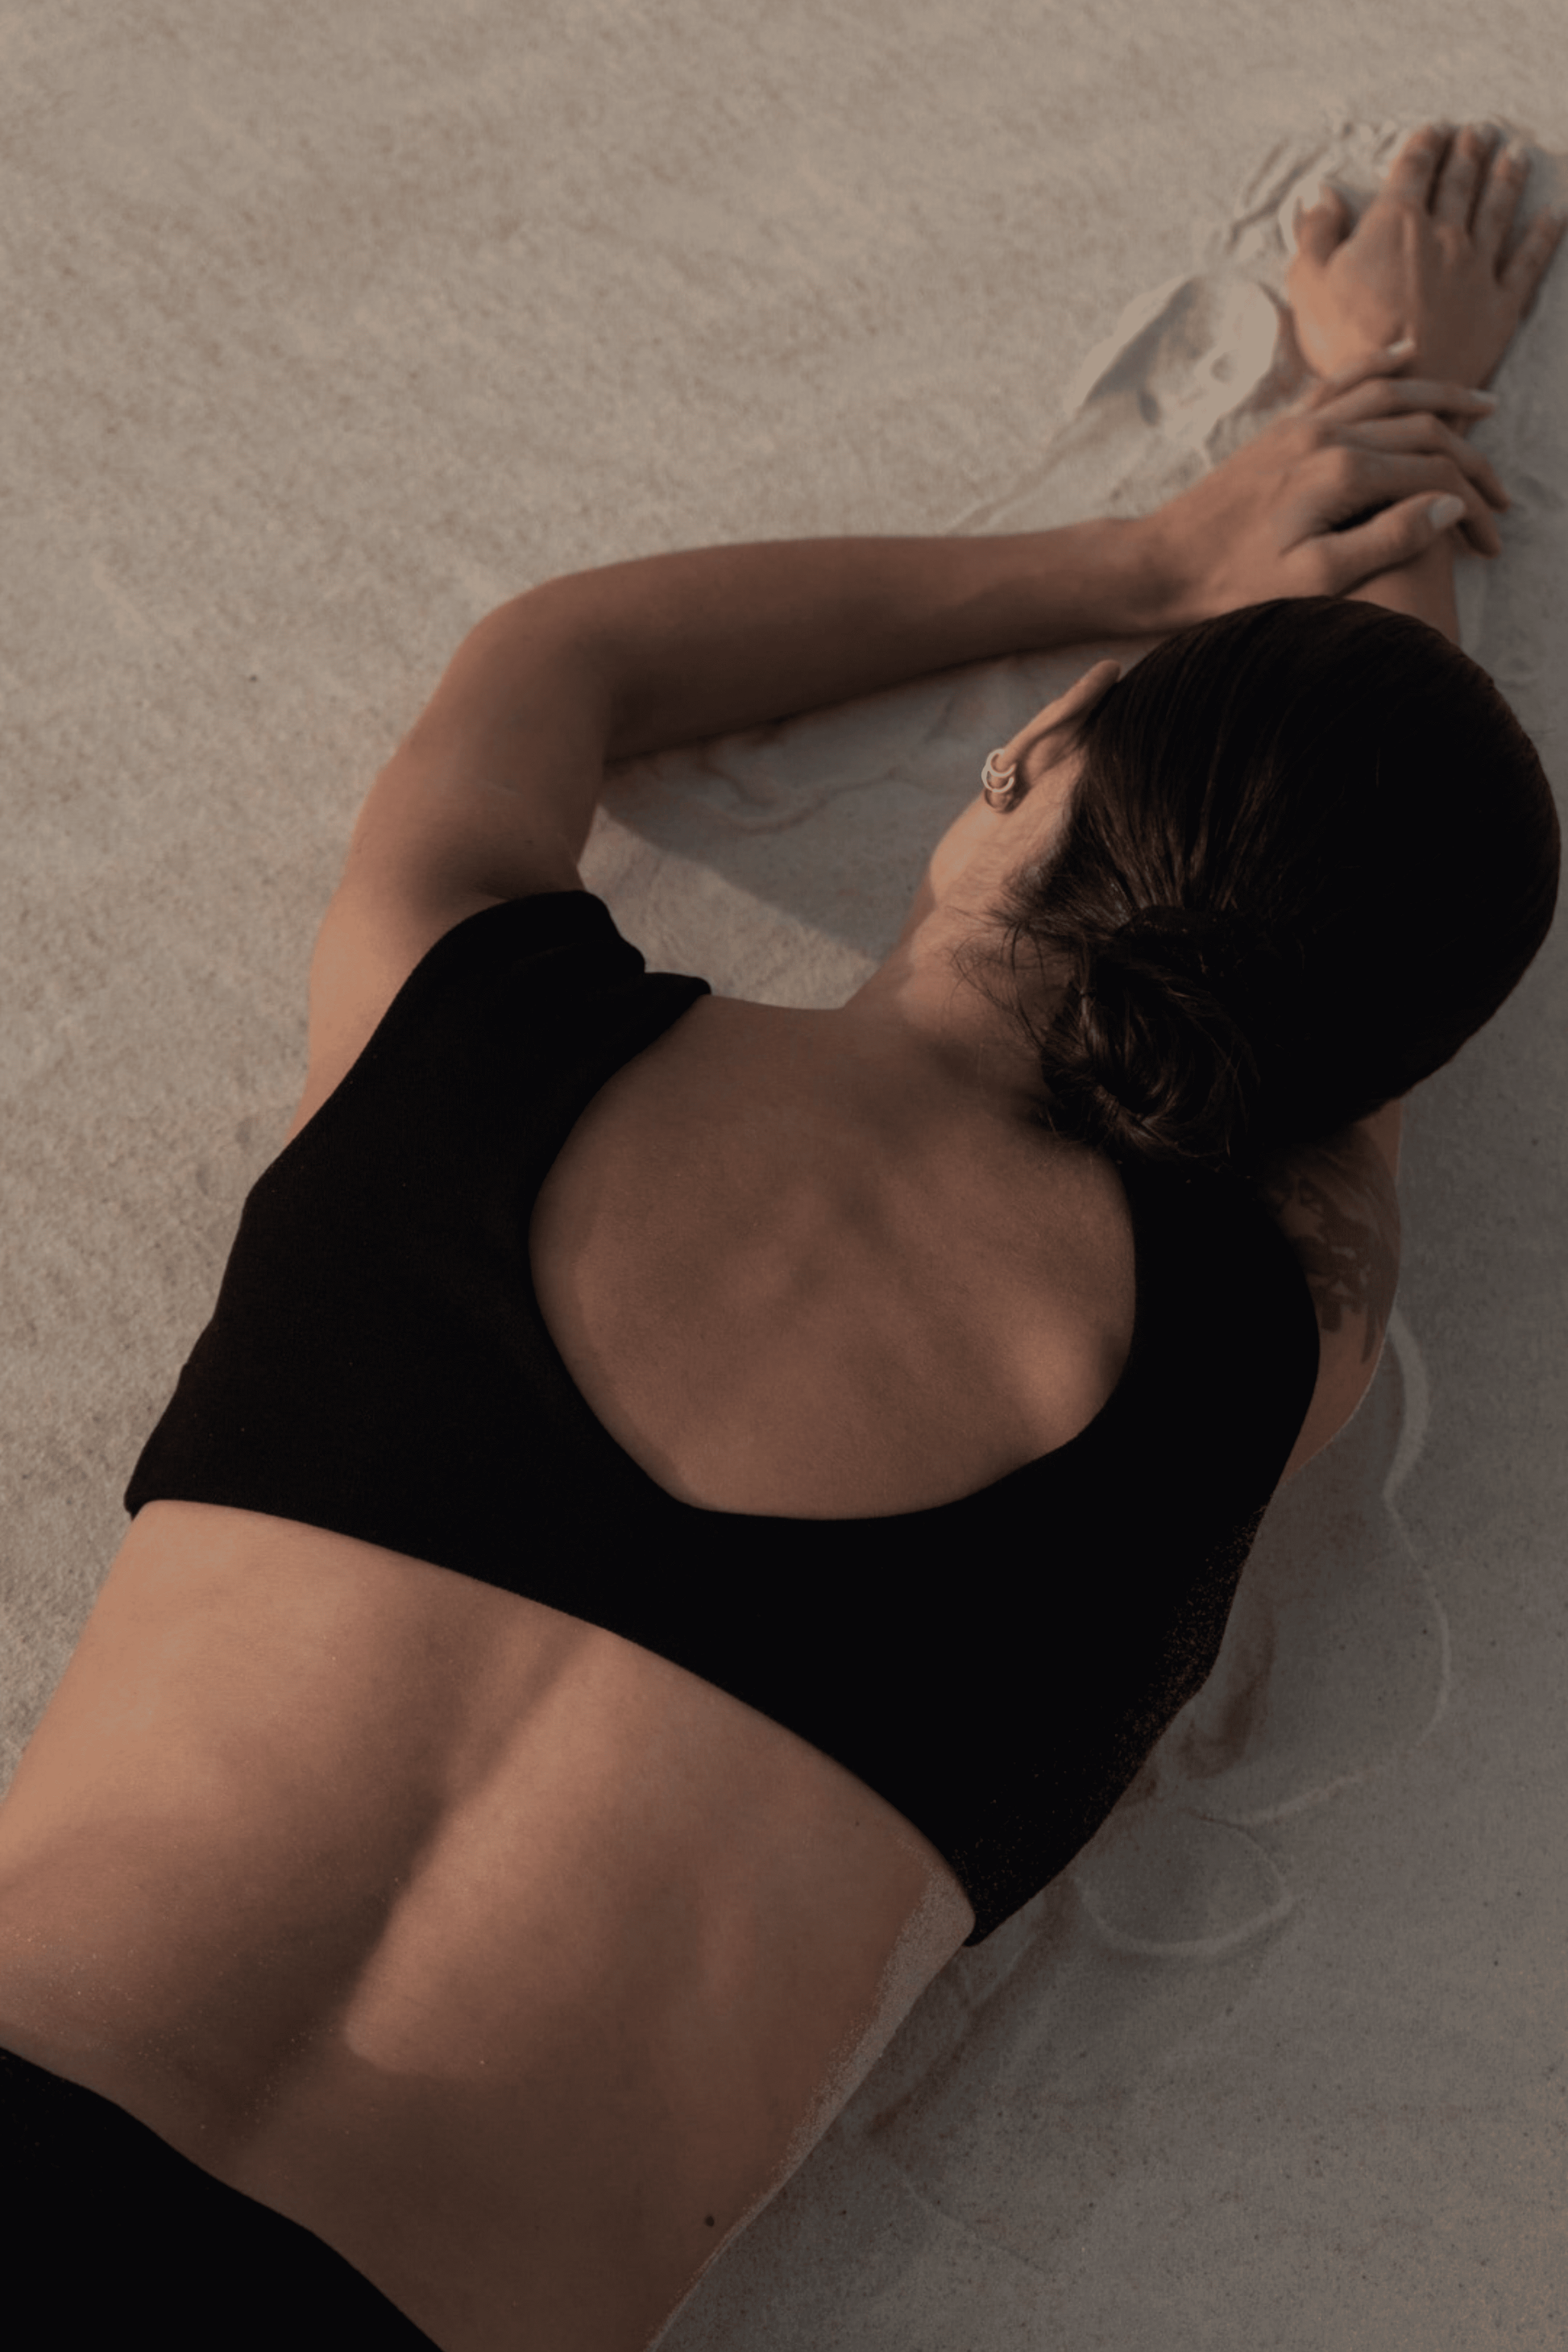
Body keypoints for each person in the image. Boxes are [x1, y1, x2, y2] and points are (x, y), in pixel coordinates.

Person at [0, 121, 1560, 2352]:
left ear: (1030, 766)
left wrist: (1158, 550)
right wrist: (1401, 444)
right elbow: (1354, 1017)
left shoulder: (465, 1022)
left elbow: (567, 652)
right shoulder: (1249, 1346)